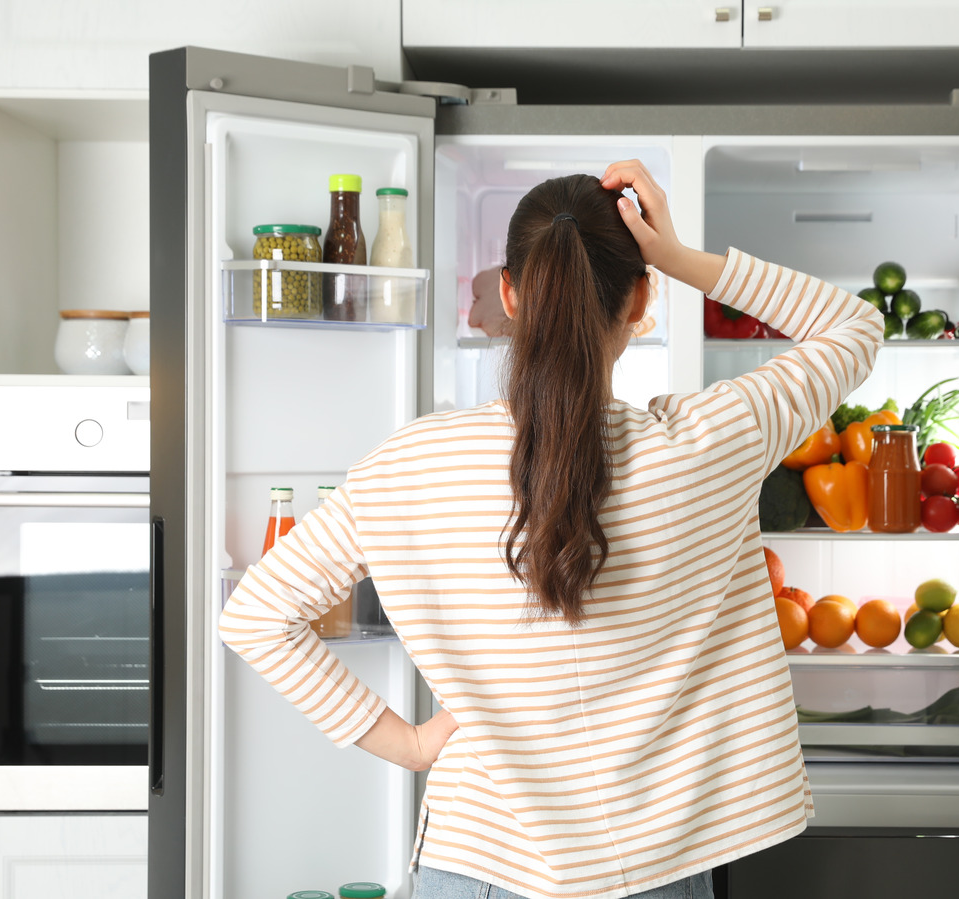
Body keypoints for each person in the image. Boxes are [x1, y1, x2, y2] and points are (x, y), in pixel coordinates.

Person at [219, 160, 885, 899]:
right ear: (640, 300)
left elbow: (256, 615)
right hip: (653, 871)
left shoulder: (408, 464)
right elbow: (855, 324)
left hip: (475, 867)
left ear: (508, 294)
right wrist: (675, 254)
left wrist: (407, 743)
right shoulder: (715, 440)